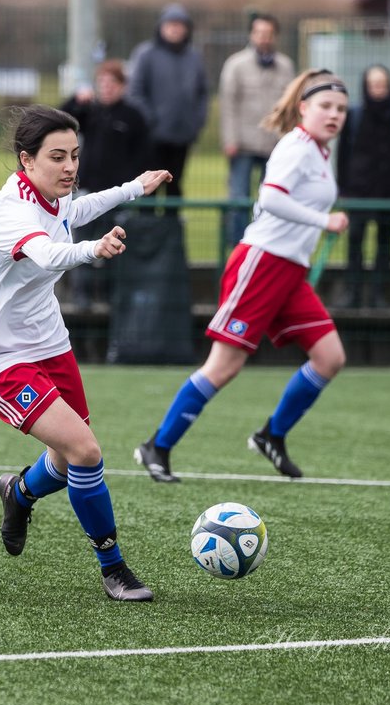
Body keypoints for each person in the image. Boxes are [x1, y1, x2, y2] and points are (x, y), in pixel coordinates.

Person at [0, 104, 172, 602]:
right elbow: (49, 251)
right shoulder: (12, 212)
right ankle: (113, 567)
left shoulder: (51, 197)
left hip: (48, 341)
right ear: (26, 160)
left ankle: (20, 493)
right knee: (86, 451)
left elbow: (75, 211)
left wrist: (135, 187)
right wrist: (92, 251)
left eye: (75, 155)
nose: (70, 167)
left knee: (65, 454)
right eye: (58, 157)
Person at [134, 69, 350, 483]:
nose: (334, 114)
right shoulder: (298, 145)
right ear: (304, 108)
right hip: (262, 264)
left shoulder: (320, 153)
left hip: (290, 272)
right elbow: (270, 198)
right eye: (325, 106)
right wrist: (323, 221)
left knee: (330, 358)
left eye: (341, 109)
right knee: (224, 367)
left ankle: (272, 435)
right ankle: (156, 447)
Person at [59, 59, 152, 309]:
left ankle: (112, 296)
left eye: (111, 84)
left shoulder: (133, 117)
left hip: (117, 195)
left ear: (122, 86)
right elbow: (61, 118)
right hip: (88, 188)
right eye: (102, 84)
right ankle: (83, 296)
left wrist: (132, 183)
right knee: (81, 244)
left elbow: (142, 154)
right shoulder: (90, 111)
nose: (106, 89)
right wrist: (76, 100)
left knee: (114, 247)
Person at [335, 64, 390, 309]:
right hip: (359, 193)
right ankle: (353, 294)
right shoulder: (354, 116)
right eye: (373, 85)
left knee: (384, 246)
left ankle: (379, 295)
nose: (378, 90)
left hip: (388, 193)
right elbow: (343, 155)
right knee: (355, 243)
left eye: (382, 85)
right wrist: (345, 188)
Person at [220, 14, 295, 245]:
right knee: (239, 199)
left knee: (271, 199)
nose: (264, 38)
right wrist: (230, 139)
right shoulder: (236, 64)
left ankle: (266, 245)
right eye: (259, 33)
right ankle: (238, 247)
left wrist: (287, 140)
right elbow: (228, 104)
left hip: (273, 145)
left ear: (275, 36)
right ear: (252, 35)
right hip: (243, 144)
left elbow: (290, 106)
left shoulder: (285, 66)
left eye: (268, 34)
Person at [127, 3, 208, 208]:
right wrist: (151, 120)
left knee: (175, 187)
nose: (175, 29)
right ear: (161, 27)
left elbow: (202, 93)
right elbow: (134, 92)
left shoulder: (194, 57)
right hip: (152, 138)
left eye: (180, 25)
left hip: (182, 137)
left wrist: (196, 122)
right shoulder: (145, 54)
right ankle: (149, 237)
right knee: (150, 188)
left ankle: (172, 237)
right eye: (171, 24)